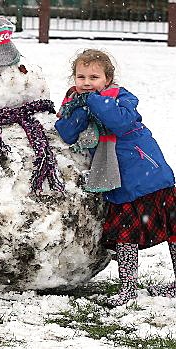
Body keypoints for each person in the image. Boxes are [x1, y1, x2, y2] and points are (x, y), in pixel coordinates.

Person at [55, 48, 176, 307]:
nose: (87, 83)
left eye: (94, 77)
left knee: (173, 229)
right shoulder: (78, 102)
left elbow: (119, 122)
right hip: (117, 180)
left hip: (147, 172)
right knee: (125, 236)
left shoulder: (122, 98)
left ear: (108, 79)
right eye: (81, 77)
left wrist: (94, 100)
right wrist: (77, 109)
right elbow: (67, 133)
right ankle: (128, 288)